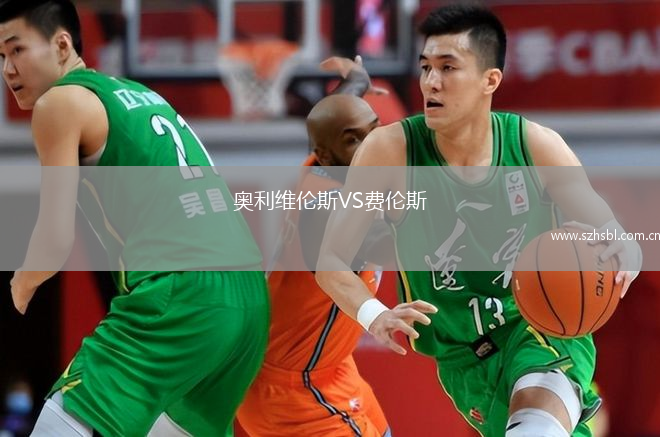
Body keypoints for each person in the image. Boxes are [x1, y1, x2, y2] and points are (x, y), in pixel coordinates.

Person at [316, 4, 642, 437]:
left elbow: (613, 234)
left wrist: (626, 251)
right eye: (426, 67)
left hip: (539, 329)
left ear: (490, 80)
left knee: (537, 425)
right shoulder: (389, 152)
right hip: (462, 359)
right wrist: (375, 315)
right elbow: (331, 260)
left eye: (448, 67)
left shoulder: (535, 146)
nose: (431, 82)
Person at [1, 0, 269, 436]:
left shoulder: (59, 103)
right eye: (0, 56)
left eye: (17, 50)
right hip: (247, 299)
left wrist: (20, 284)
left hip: (183, 292)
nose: (8, 69)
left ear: (62, 45)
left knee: (61, 422)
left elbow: (54, 239)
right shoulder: (140, 94)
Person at [237, 64, 392, 436]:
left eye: (375, 131)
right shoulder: (331, 209)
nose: (373, 145)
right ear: (326, 156)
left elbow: (338, 120)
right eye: (355, 140)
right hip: (294, 391)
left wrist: (356, 82)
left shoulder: (325, 164)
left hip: (327, 368)